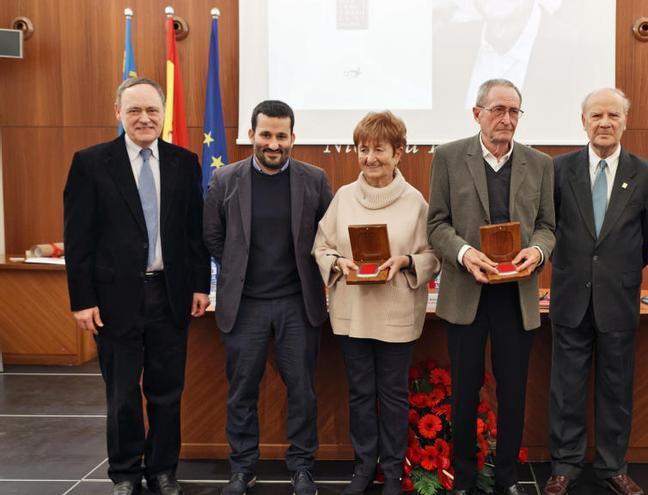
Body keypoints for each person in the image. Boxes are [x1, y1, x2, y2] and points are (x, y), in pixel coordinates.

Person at [63, 77, 211, 495]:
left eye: (152, 110)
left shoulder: (185, 162)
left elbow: (192, 233)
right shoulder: (90, 163)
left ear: (164, 114)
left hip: (171, 295)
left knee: (167, 391)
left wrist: (200, 284)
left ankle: (163, 470)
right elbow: (77, 241)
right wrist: (82, 300)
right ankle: (125, 473)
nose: (144, 118)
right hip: (114, 301)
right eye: (134, 110)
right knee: (123, 394)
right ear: (118, 114)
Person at [427, 78, 555, 495]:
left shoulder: (540, 164)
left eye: (514, 111)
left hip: (516, 298)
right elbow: (437, 225)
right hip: (467, 292)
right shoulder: (448, 157)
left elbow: (548, 228)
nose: (507, 118)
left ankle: (507, 480)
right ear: (477, 113)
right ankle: (463, 480)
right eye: (498, 109)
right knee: (465, 391)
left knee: (513, 392)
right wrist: (465, 254)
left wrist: (535, 253)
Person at [202, 100, 333, 495]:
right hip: (245, 306)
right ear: (251, 136)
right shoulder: (226, 179)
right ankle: (242, 469)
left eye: (281, 136)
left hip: (298, 302)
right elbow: (211, 235)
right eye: (265, 135)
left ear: (293, 137)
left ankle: (302, 467)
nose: (273, 144)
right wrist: (238, 268)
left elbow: (327, 236)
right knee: (242, 390)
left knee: (302, 390)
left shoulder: (315, 179)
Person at [544, 88, 648, 495]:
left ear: (625, 122)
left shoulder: (647, 174)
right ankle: (564, 466)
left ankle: (613, 466)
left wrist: (623, 271)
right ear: (583, 122)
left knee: (617, 388)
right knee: (567, 389)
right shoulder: (558, 170)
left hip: (619, 298)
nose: (604, 123)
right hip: (570, 298)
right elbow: (549, 227)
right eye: (596, 115)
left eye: (613, 115)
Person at [312, 111, 440, 495]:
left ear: (398, 153)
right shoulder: (343, 198)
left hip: (396, 313)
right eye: (363, 149)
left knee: (393, 394)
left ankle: (393, 471)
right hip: (353, 314)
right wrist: (338, 262)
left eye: (379, 149)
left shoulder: (415, 202)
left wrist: (405, 261)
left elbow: (432, 255)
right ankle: (364, 466)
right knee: (360, 392)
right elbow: (322, 246)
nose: (370, 158)